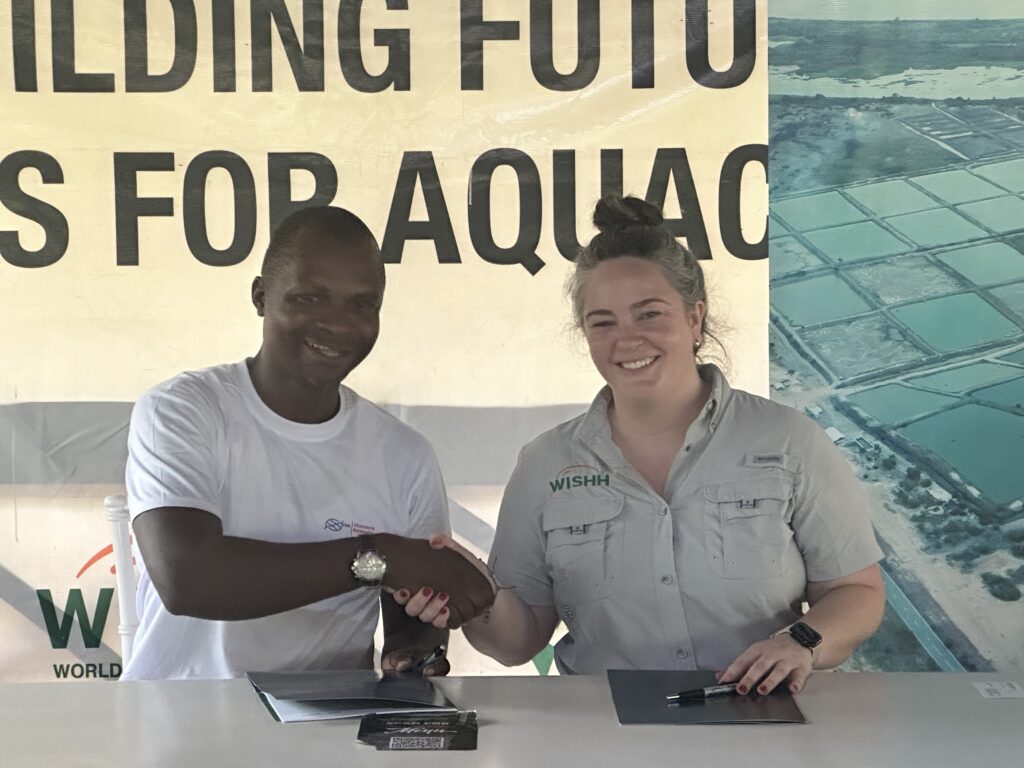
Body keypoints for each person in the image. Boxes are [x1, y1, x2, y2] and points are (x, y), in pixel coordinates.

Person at [395, 195, 886, 696]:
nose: (626, 340)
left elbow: (857, 591)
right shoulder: (546, 463)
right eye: (602, 322)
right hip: (604, 733)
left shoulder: (789, 441)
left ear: (695, 319)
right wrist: (475, 597)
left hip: (763, 722)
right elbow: (517, 643)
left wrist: (798, 641)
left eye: (649, 314)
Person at [121, 206, 494, 681]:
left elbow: (412, 614)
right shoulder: (184, 410)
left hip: (333, 731)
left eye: (362, 305)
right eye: (309, 297)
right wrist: (377, 556)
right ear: (260, 296)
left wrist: (412, 653)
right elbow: (188, 579)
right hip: (180, 728)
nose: (337, 324)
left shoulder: (404, 454)